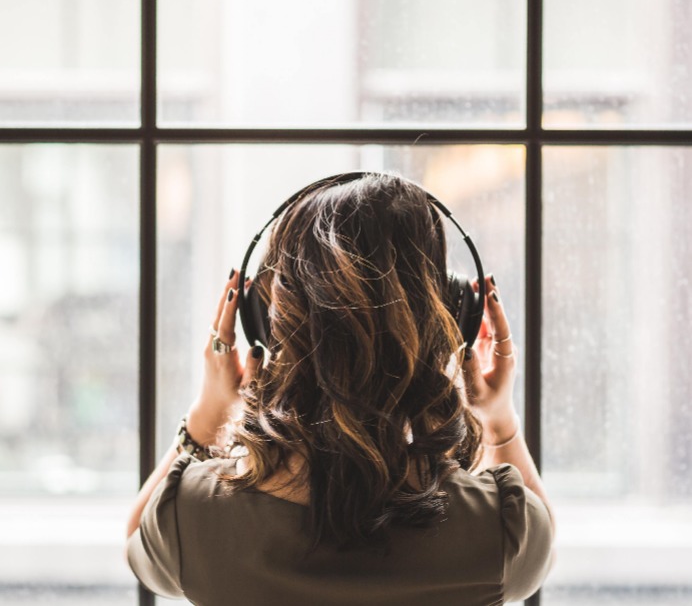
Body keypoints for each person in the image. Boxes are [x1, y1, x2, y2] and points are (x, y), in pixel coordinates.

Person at [126, 172, 556, 605]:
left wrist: (208, 415)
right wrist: (500, 421)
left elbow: (139, 543)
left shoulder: (193, 519)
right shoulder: (498, 531)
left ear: (264, 324)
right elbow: (540, 555)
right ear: (452, 316)